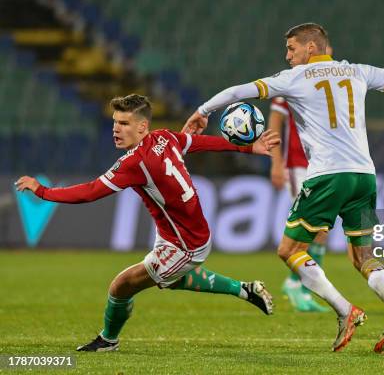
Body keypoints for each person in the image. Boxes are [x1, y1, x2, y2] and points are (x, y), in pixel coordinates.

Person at [182, 23, 384, 353]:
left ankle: (345, 310)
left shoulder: (293, 79)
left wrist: (203, 110)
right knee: (363, 257)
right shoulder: (357, 71)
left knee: (289, 250)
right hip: (364, 176)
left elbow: (239, 91)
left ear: (311, 47)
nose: (288, 56)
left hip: (327, 175)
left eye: (292, 49)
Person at [15, 94, 279, 352]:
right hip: (178, 235)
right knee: (172, 279)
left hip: (183, 245)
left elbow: (90, 192)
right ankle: (245, 289)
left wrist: (41, 191)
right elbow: (198, 142)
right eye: (115, 123)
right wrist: (247, 147)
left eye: (124, 123)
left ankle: (108, 340)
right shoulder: (164, 137)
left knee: (120, 286)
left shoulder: (134, 163)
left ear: (142, 126)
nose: (116, 129)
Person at [269, 96, 328, 313]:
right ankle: (297, 285)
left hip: (323, 164)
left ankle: (299, 285)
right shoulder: (287, 86)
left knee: (322, 230)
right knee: (313, 228)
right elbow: (274, 125)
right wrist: (276, 163)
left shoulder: (324, 81)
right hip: (297, 166)